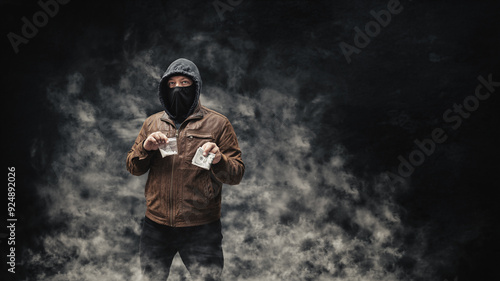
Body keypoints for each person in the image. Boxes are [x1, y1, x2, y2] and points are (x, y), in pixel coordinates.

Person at [126, 58, 245, 281]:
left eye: (184, 83)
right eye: (172, 84)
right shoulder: (152, 124)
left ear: (196, 86)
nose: (178, 88)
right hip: (156, 227)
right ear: (164, 88)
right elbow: (133, 167)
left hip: (201, 228)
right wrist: (146, 147)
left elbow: (236, 173)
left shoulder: (218, 124)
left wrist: (219, 159)